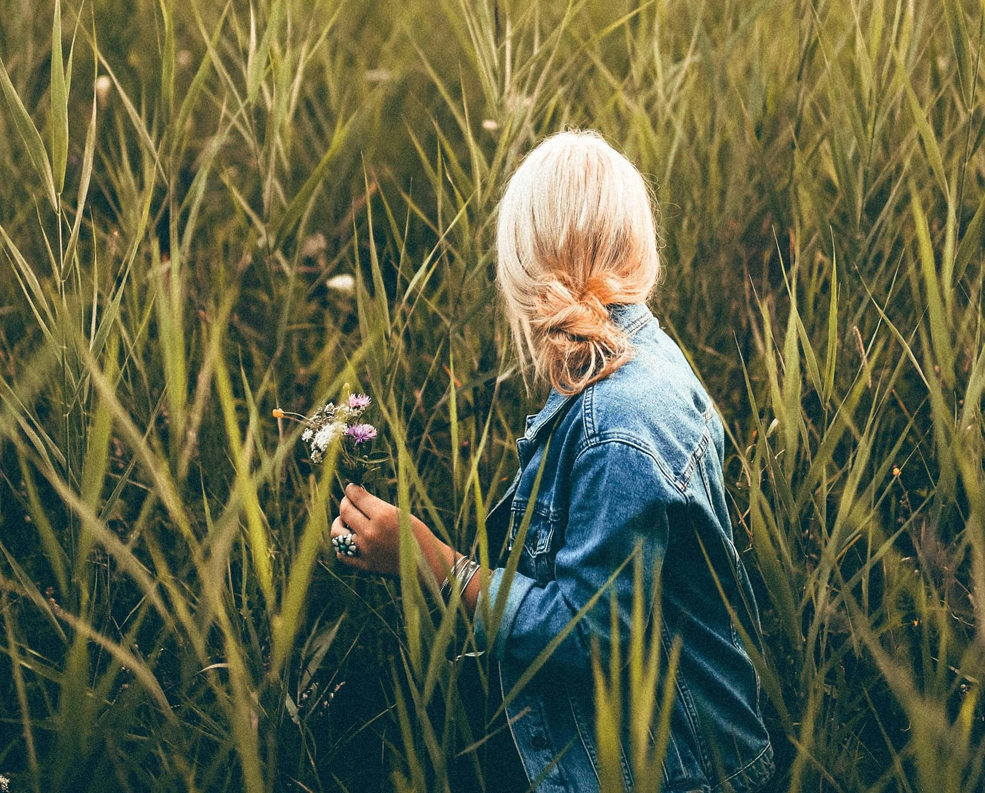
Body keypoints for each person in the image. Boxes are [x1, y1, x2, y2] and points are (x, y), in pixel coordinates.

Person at [330, 130, 775, 792]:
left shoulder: (614, 420)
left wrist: (428, 559)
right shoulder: (646, 366)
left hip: (676, 774)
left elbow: (589, 635)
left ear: (524, 267)